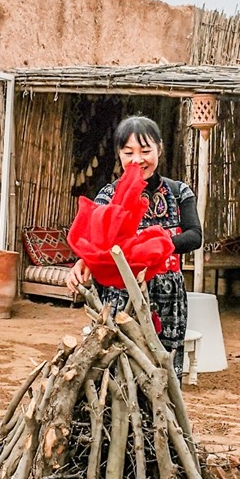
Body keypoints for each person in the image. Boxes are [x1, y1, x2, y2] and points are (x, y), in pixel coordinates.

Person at [66, 115, 202, 378]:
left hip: (168, 297)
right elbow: (95, 241)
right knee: (118, 369)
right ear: (119, 155)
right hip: (120, 297)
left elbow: (194, 236)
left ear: (159, 149)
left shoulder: (179, 192)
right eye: (128, 152)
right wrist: (82, 262)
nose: (137, 160)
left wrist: (152, 247)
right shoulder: (108, 196)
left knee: (163, 371)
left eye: (146, 151)